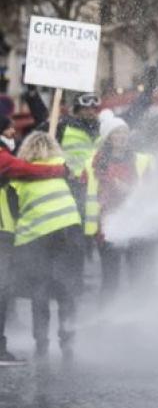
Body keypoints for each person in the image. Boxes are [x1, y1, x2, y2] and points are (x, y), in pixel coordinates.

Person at [8, 132, 84, 360]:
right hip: (69, 230)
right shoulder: (63, 167)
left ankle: (41, 342)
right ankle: (67, 339)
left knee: (40, 290)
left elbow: (15, 210)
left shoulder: (19, 176)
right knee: (66, 288)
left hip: (37, 236)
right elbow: (78, 191)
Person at [0, 117, 68, 362]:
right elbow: (27, 170)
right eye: (8, 127)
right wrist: (57, 170)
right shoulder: (2, 156)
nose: (12, 132)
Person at [83, 111, 156, 301]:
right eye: (116, 133)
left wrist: (129, 189)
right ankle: (106, 320)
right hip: (106, 229)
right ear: (107, 137)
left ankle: (137, 314)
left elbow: (152, 191)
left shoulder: (141, 160)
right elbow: (82, 190)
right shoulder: (93, 163)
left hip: (135, 225)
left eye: (124, 132)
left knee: (137, 275)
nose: (122, 136)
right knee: (110, 279)